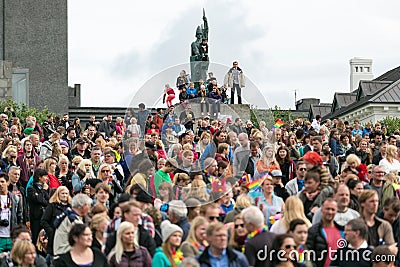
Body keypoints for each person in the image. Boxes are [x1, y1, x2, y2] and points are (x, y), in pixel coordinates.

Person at [306, 198, 343, 267]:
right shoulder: (313, 231)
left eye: (333, 209)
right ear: (322, 210)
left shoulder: (342, 231)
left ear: (337, 211)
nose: (330, 212)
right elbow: (308, 255)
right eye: (327, 209)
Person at [41, 186, 71, 263]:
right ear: (58, 194)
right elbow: (44, 221)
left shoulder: (71, 207)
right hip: (54, 239)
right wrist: (51, 232)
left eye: (66, 193)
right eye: (62, 193)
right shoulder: (52, 206)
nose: (64, 195)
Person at [0, 173, 23, 253]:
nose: (0, 184)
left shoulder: (15, 198)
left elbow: (20, 215)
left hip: (11, 236)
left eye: (2, 182)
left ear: (7, 182)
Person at [27, 168, 50, 245]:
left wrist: (41, 197)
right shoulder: (31, 189)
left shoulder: (46, 188)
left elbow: (47, 202)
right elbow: (38, 200)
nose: (46, 178)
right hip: (36, 218)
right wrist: (43, 191)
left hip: (44, 217)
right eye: (45, 176)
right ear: (39, 177)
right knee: (35, 239)